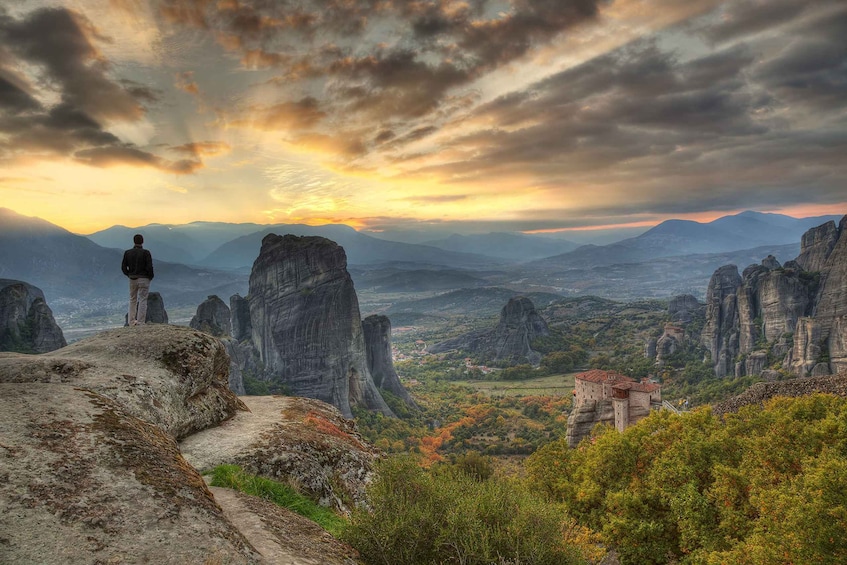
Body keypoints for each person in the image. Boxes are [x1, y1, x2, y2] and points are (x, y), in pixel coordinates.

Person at [122, 234, 154, 325]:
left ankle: (131, 321)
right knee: (143, 300)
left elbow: (123, 267)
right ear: (142, 241)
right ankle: (140, 321)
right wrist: (150, 277)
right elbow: (149, 267)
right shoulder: (146, 253)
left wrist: (129, 274)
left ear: (134, 241)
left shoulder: (127, 253)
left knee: (133, 299)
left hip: (132, 279)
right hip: (144, 278)